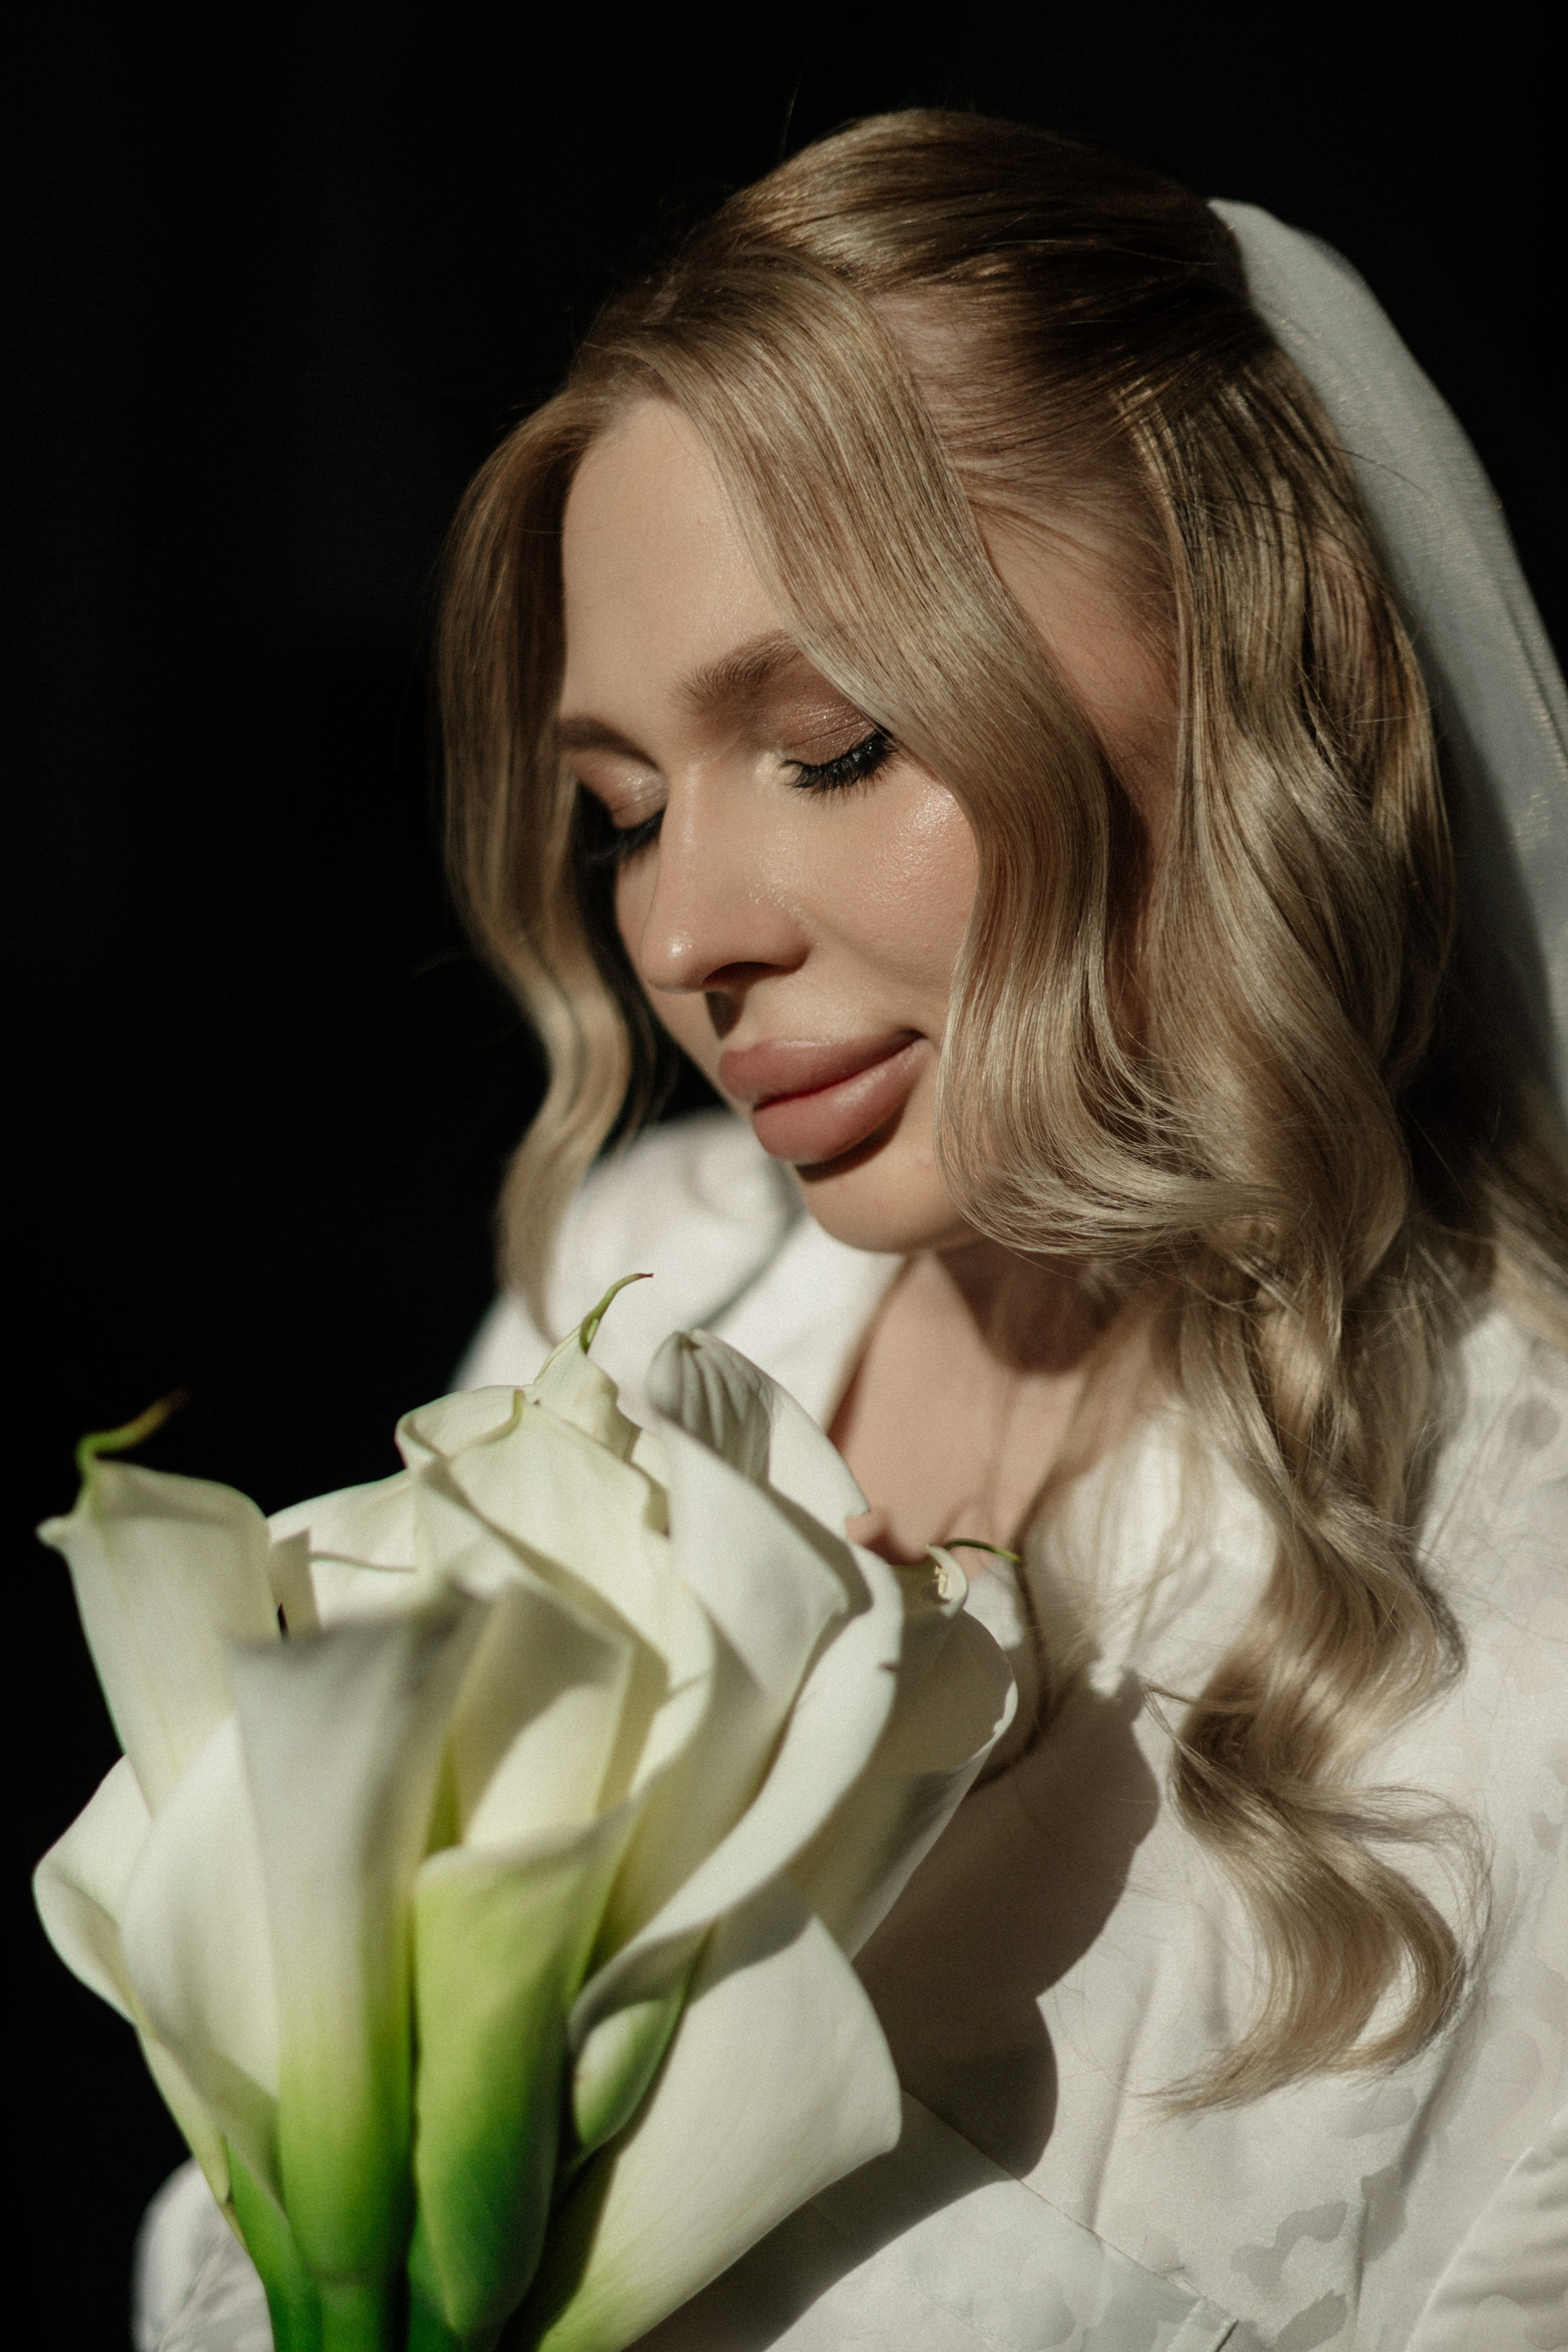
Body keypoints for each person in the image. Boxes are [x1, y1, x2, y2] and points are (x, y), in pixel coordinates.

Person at [136, 110, 1568, 2350]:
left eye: (830, 744)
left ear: (1252, 673)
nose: (677, 935)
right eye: (621, 809)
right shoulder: (646, 1293)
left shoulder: (1526, 1621)